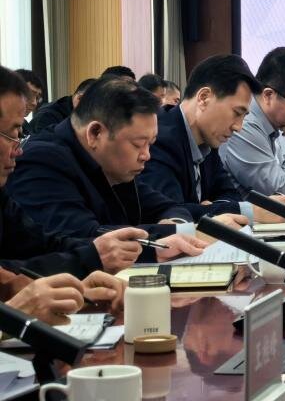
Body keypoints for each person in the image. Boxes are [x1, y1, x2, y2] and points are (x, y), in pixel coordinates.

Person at [5, 77, 209, 264]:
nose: (146, 155)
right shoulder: (41, 161)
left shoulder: (113, 163)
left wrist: (175, 225)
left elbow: (167, 206)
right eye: (138, 144)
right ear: (95, 133)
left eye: (150, 144)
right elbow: (83, 237)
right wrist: (167, 236)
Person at [0, 67, 142, 310]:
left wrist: (92, 258)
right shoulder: (43, 158)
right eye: (13, 134)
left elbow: (40, 244)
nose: (19, 149)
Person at [139, 54, 285, 220]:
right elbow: (170, 213)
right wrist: (246, 211)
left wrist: (210, 209)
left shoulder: (208, 140)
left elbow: (231, 194)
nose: (238, 127)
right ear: (204, 98)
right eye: (236, 113)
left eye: (244, 116)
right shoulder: (158, 139)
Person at [219, 46, 285, 198]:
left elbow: (284, 177)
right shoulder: (245, 126)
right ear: (268, 95)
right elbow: (283, 193)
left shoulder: (271, 124)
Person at [28, 77, 95, 136]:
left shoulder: (76, 113)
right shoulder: (48, 116)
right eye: (92, 106)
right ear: (80, 98)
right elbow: (46, 145)